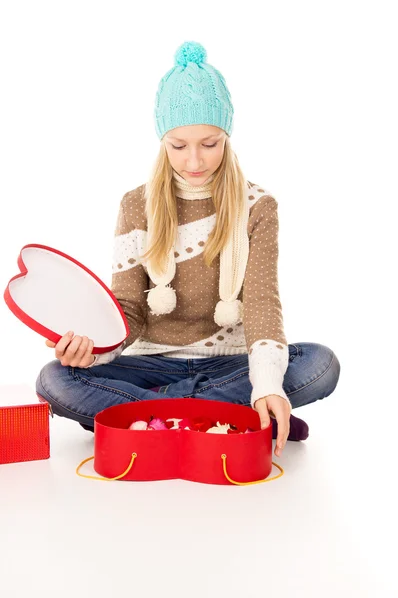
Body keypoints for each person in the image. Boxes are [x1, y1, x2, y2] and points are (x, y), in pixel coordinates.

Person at [36, 40, 340, 458]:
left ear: (227, 137)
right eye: (179, 146)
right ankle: (228, 418)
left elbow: (262, 305)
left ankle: (155, 419)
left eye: (209, 143)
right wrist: (94, 349)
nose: (194, 160)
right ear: (163, 141)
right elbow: (127, 309)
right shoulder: (135, 204)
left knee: (321, 364)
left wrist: (267, 382)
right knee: (55, 378)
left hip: (230, 363)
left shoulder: (258, 206)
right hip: (149, 363)